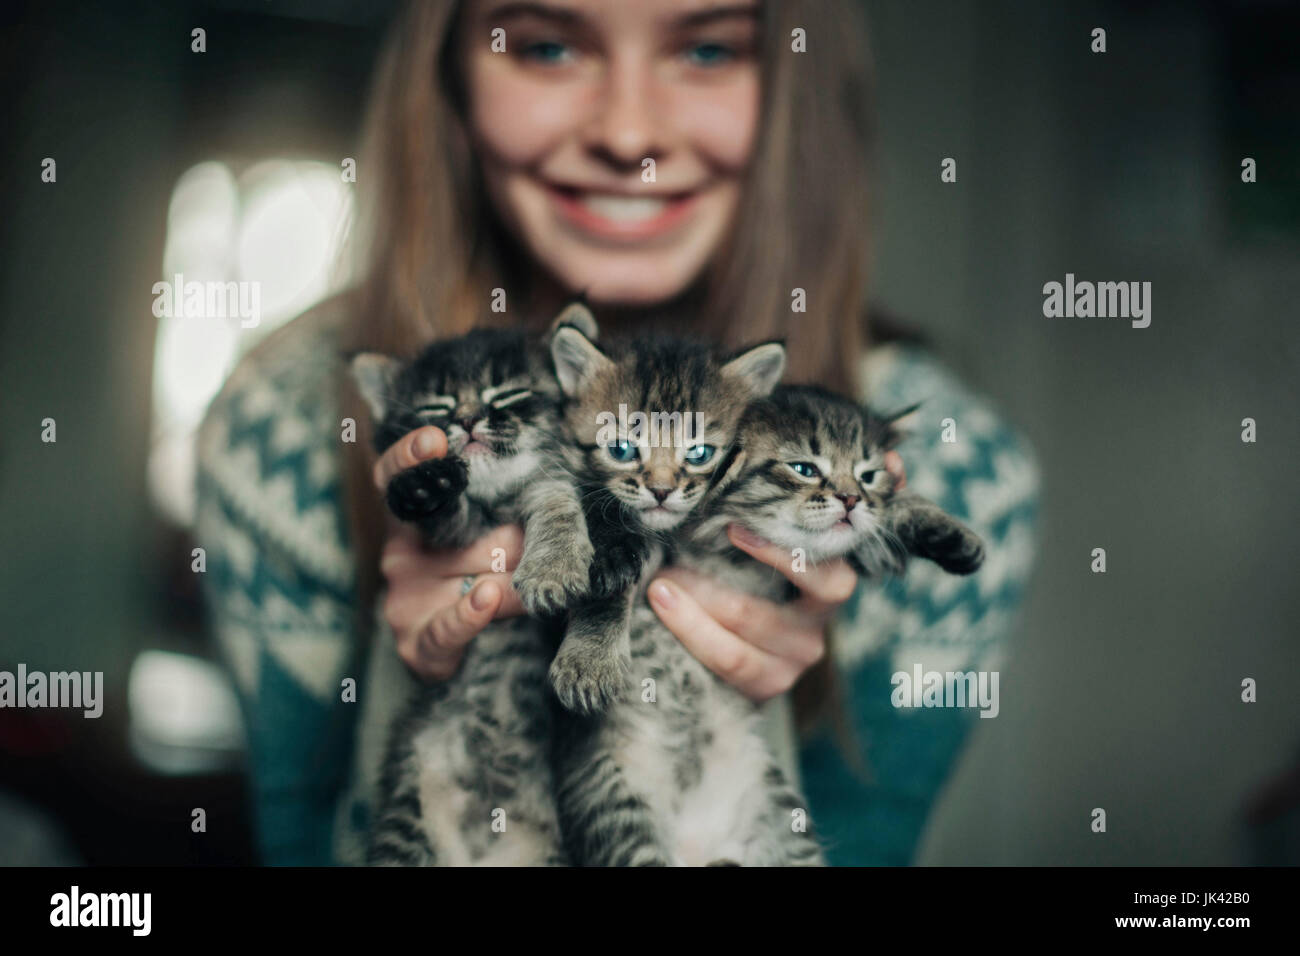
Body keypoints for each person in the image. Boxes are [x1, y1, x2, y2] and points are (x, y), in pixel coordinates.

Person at [195, 0, 1038, 866]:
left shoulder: (961, 473)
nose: (629, 131)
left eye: (707, 49)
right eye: (549, 47)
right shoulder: (281, 437)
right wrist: (408, 670)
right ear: (447, 75)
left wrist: (760, 662)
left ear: (797, 85)